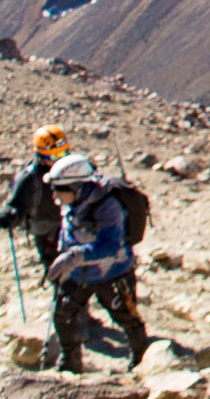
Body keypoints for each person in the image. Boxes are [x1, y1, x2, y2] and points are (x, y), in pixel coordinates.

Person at [45, 154, 148, 373]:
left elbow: (110, 247)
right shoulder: (72, 202)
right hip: (78, 274)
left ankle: (141, 363)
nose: (54, 195)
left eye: (59, 189)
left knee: (127, 318)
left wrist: (73, 257)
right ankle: (70, 363)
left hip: (112, 274)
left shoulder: (107, 206)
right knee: (62, 315)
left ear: (75, 186)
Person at [0, 127, 70, 272]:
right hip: (48, 236)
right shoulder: (28, 179)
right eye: (55, 156)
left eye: (63, 154)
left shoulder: (73, 170)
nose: (60, 160)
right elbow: (16, 208)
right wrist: (8, 217)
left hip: (73, 228)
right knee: (59, 275)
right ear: (41, 154)